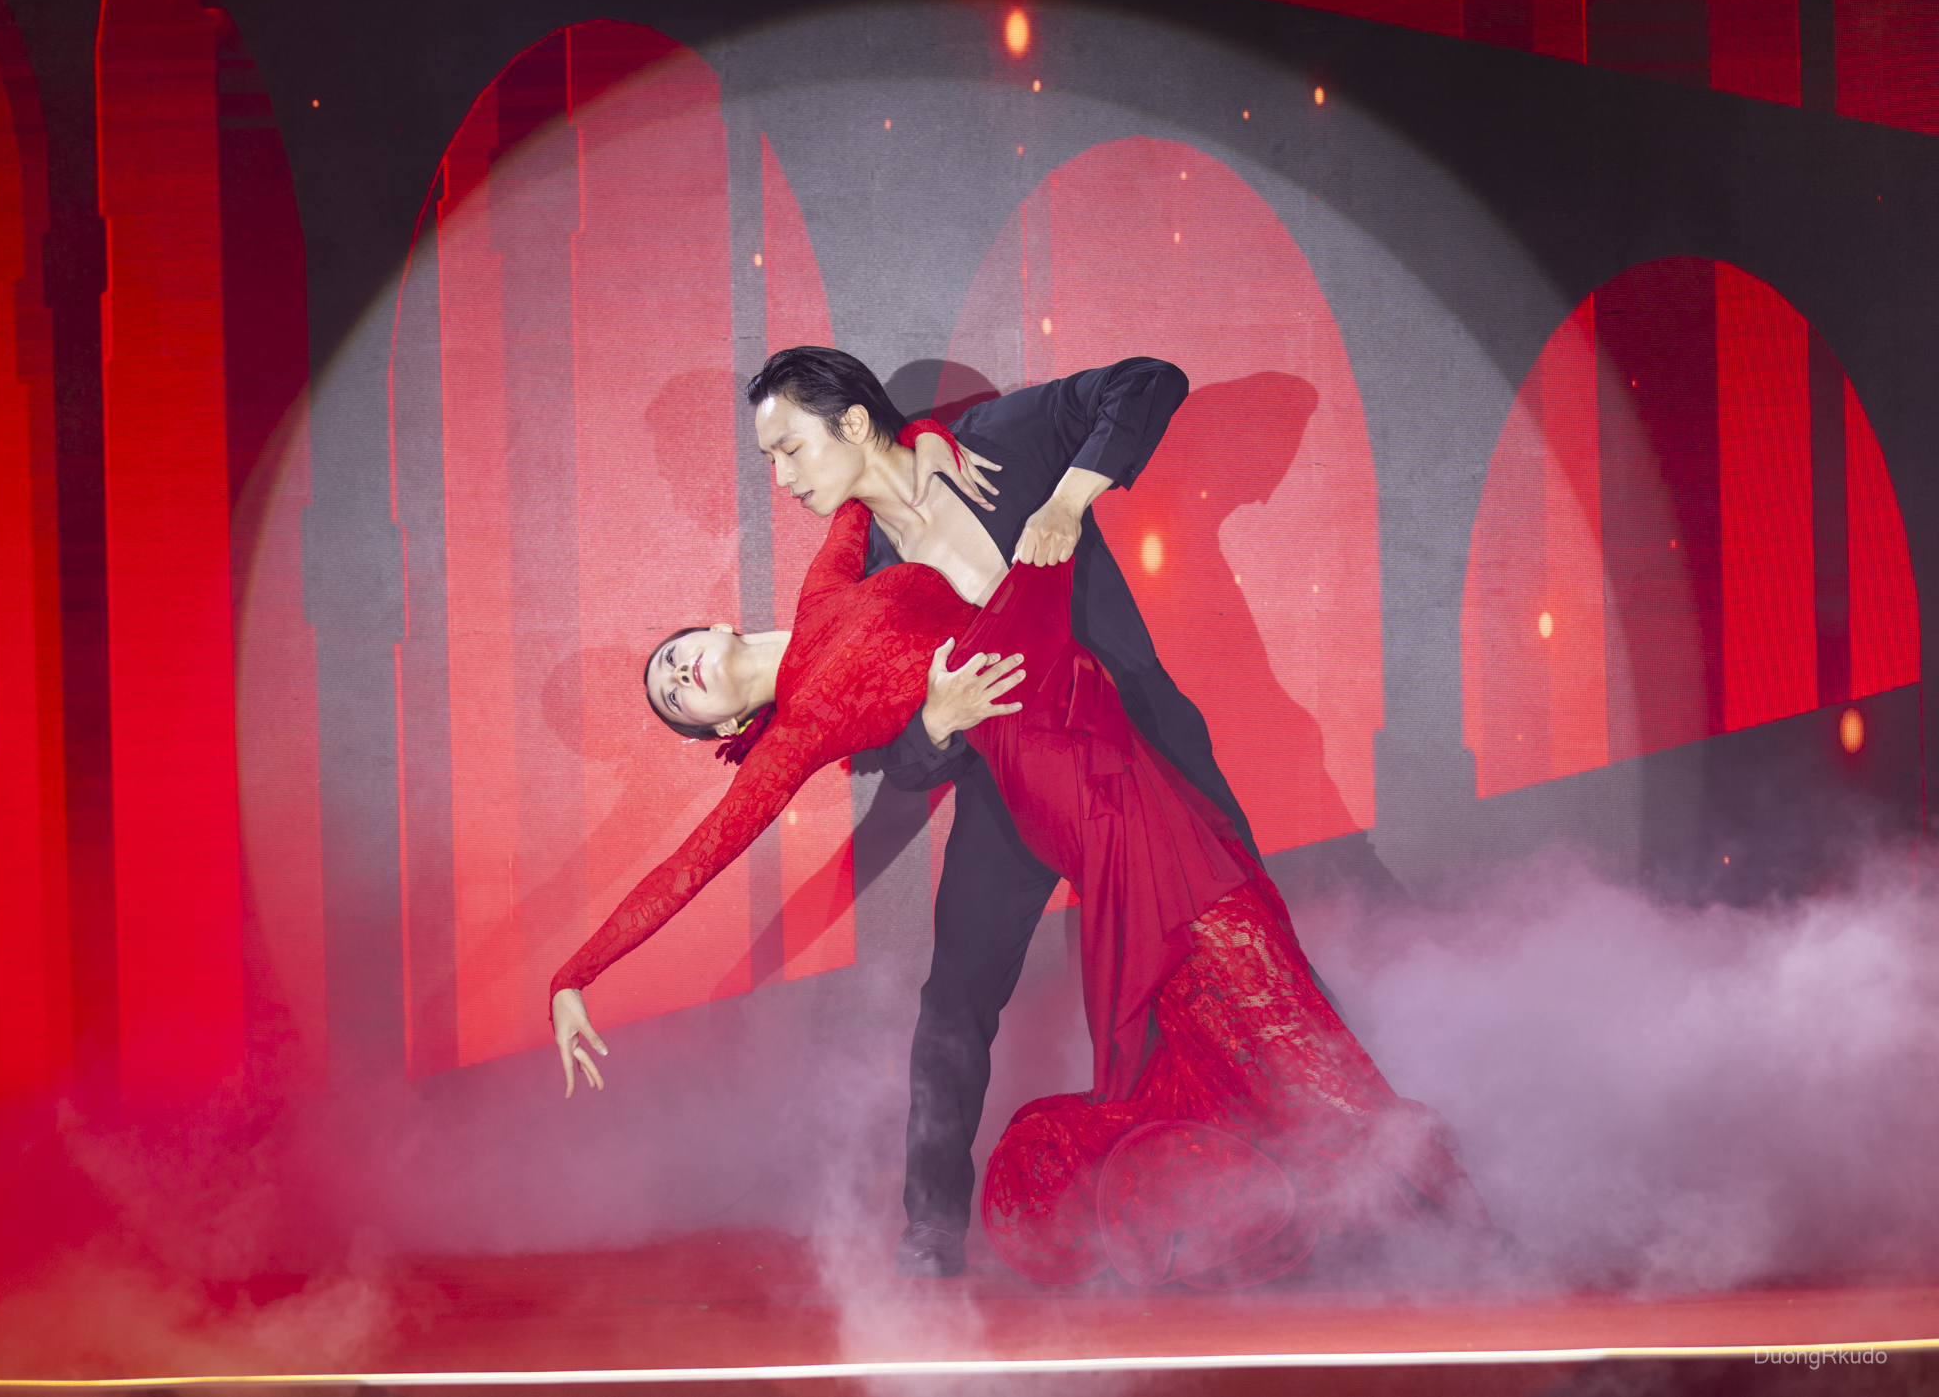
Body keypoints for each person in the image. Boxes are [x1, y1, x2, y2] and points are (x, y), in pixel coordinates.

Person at [552, 488, 1494, 1288]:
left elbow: (860, 463)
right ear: (721, 724)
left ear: (715, 626)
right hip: (1030, 780)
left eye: (673, 659)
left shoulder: (828, 580)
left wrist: (945, 452)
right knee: (1004, 993)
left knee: (1227, 967)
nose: (679, 676)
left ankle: (1385, 1189)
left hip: (1086, 715)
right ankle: (935, 1231)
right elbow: (692, 864)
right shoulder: (791, 735)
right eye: (675, 697)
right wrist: (573, 976)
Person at [744, 347, 1278, 1279]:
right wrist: (937, 722)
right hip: (1013, 794)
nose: (782, 478)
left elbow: (1150, 381)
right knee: (954, 1002)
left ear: (854, 424)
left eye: (789, 448)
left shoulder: (994, 444)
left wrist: (1067, 501)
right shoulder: (864, 581)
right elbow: (898, 760)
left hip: (1141, 752)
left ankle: (1292, 1172)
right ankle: (930, 1229)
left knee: (1237, 951)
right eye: (772, 460)